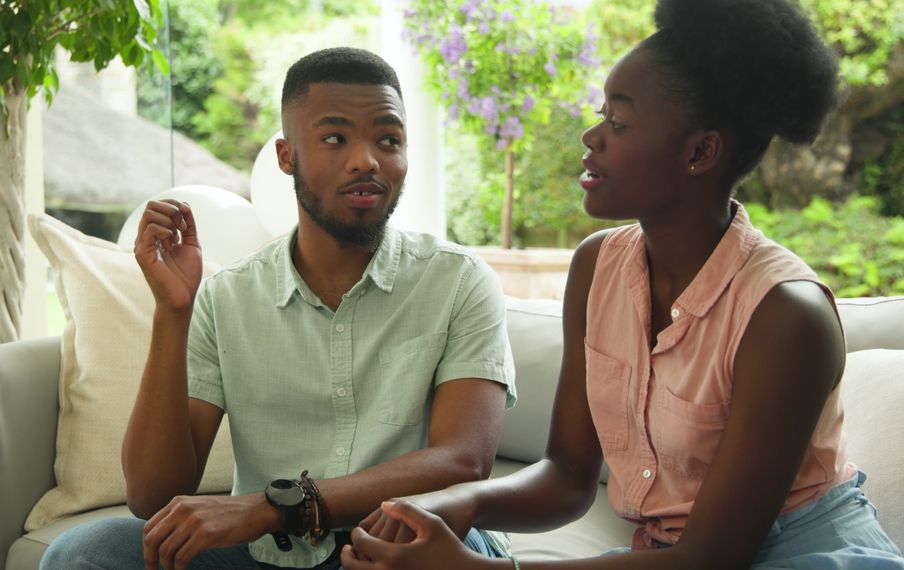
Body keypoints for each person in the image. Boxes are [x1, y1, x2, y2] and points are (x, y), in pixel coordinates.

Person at [341, 1, 904, 569]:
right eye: (601, 115)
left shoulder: (786, 315)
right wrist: (452, 502)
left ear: (700, 152)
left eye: (619, 123)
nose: (591, 137)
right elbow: (567, 476)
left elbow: (712, 557)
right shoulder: (597, 267)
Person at [40, 47, 516, 570]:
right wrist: (172, 313)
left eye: (389, 140)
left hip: (407, 548)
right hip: (267, 553)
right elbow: (153, 495)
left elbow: (463, 463)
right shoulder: (227, 298)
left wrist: (278, 508)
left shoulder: (458, 281)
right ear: (286, 157)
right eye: (335, 138)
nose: (366, 160)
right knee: (85, 554)